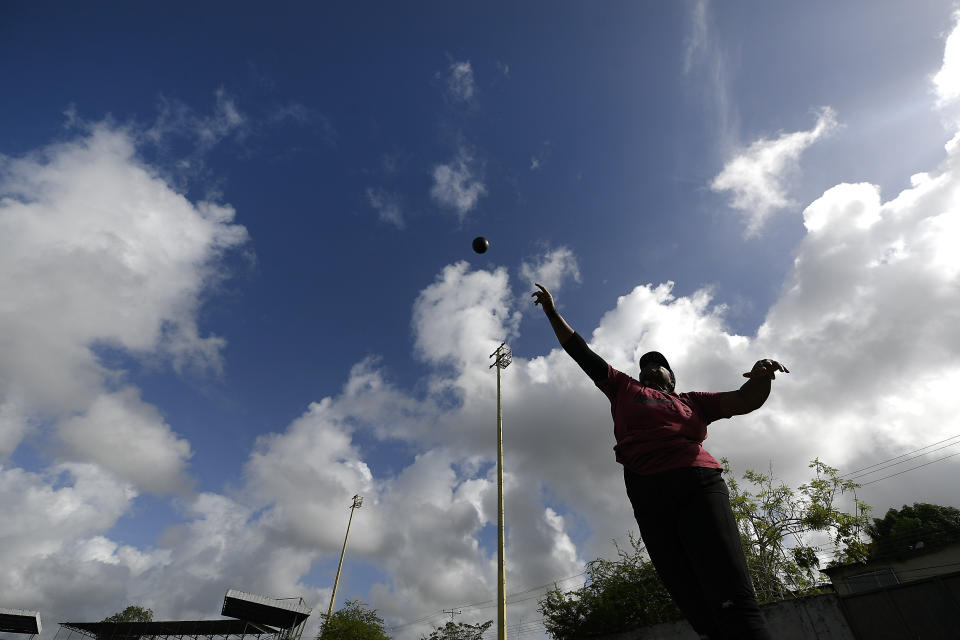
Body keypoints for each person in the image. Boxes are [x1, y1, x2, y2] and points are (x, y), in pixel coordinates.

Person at [532, 283, 787, 640]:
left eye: (660, 365)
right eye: (646, 366)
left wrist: (762, 377)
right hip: (646, 490)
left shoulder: (693, 401)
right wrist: (551, 313)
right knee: (689, 594)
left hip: (696, 481)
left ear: (673, 377)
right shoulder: (622, 388)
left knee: (730, 590)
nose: (651, 368)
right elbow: (581, 352)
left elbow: (745, 400)